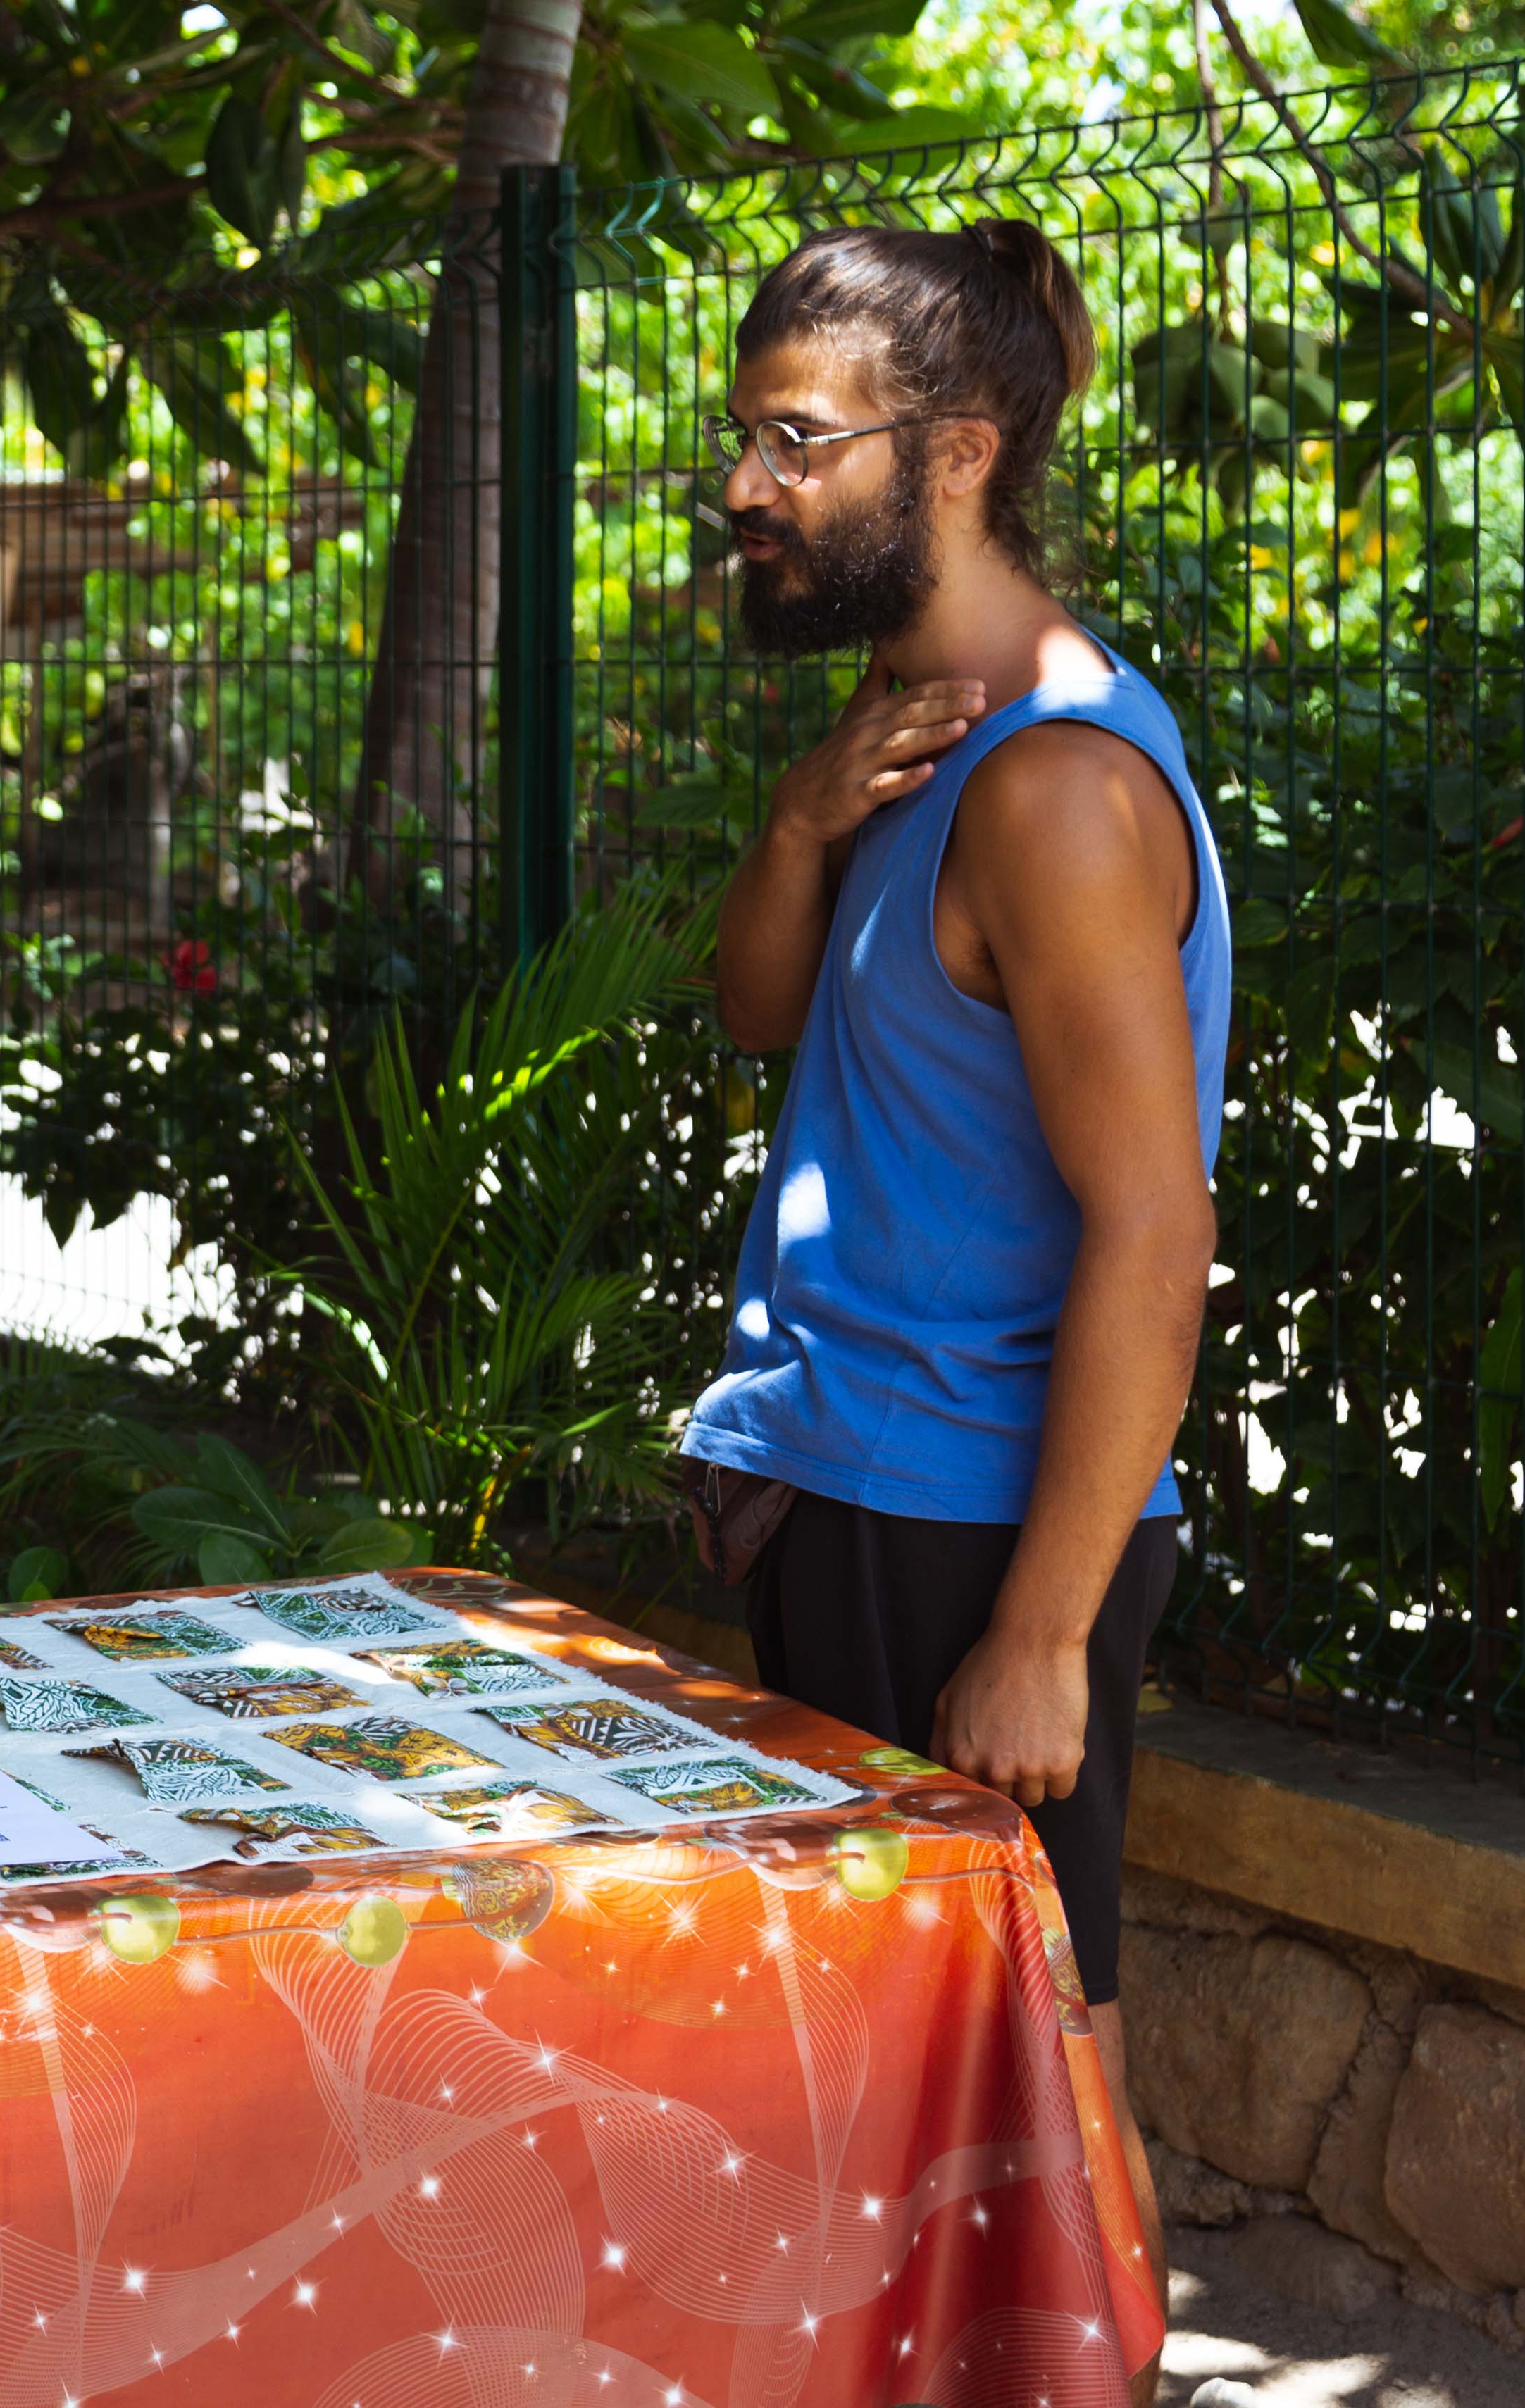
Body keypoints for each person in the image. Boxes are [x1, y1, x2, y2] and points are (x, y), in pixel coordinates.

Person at [680, 218, 1223, 2359]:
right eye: (747, 437)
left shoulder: (1064, 789)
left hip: (971, 1530)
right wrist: (804, 826)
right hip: (866, 1498)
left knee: (1050, 2086)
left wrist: (1046, 1633)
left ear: (962, 452)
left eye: (794, 442)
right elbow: (760, 1019)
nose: (746, 484)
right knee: (915, 2098)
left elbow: (1156, 1233)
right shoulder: (921, 739)